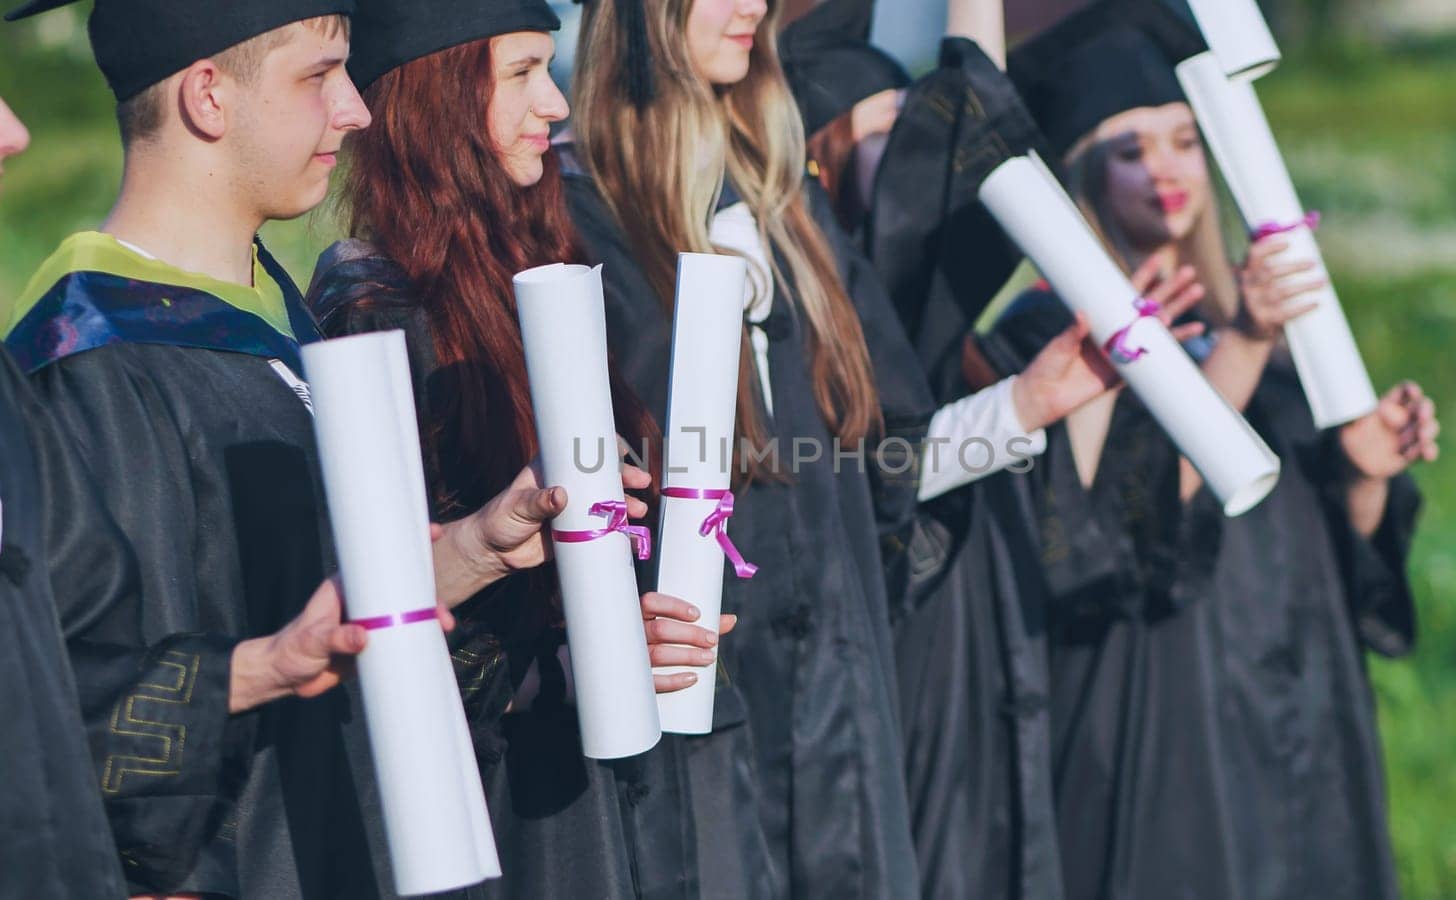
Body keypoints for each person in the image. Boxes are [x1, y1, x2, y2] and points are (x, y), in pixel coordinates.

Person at [1, 1, 577, 895]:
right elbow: (73, 713)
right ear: (207, 97)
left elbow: (332, 624)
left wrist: (469, 555)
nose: (356, 109)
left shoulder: (292, 323)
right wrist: (262, 668)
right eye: (319, 76)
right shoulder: (88, 358)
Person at [563, 0, 1133, 895]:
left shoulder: (787, 212)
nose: (754, 4)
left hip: (840, 714)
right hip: (695, 717)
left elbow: (874, 477)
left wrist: (1022, 406)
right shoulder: (575, 224)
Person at [997, 2, 1439, 897]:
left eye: (1185, 141)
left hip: (1297, 686)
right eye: (1132, 150)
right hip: (1163, 700)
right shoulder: (1045, 334)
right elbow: (1108, 531)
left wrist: (1364, 472)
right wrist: (1238, 340)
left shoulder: (1277, 337)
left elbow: (1345, 553)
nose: (1167, 171)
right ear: (1083, 174)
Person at [306, 0, 735, 895]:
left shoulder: (531, 280)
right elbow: (400, 651)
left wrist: (617, 638)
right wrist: (562, 655)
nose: (555, 104)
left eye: (551, 69)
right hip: (489, 819)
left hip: (593, 789)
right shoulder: (375, 314)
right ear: (435, 96)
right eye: (521, 73)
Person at [777, 2, 1195, 895]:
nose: (927, 146)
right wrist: (1023, 403)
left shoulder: (923, 309)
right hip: (901, 643)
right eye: (894, 126)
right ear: (818, 154)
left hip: (981, 620)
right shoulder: (811, 317)